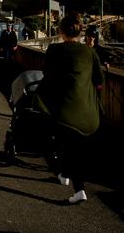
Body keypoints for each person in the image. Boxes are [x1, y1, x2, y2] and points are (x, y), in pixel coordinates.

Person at [36, 14, 104, 204]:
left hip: (65, 111)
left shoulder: (54, 49)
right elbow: (99, 80)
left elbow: (46, 73)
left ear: (60, 31)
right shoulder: (89, 52)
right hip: (90, 115)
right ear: (80, 31)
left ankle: (79, 189)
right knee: (73, 145)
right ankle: (64, 174)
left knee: (61, 143)